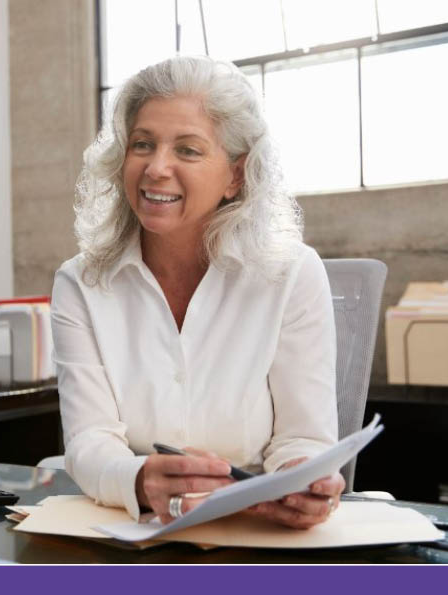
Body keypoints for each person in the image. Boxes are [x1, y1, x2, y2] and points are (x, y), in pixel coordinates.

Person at [51, 55, 345, 529]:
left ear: (234, 175)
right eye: (142, 144)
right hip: (131, 535)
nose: (156, 168)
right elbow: (89, 441)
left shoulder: (292, 273)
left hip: (256, 533)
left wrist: (302, 479)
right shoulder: (81, 283)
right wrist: (139, 479)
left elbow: (304, 439)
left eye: (187, 150)